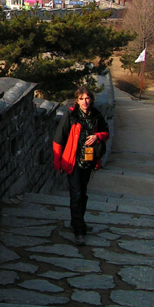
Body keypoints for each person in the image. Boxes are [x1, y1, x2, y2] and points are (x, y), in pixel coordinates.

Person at [52, 87, 109, 245]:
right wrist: (57, 163)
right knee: (76, 194)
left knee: (82, 194)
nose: (85, 102)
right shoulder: (70, 116)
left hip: (88, 161)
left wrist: (97, 136)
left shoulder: (96, 115)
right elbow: (58, 140)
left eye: (88, 98)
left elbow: (106, 132)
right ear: (76, 100)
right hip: (73, 161)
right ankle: (79, 230)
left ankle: (77, 221)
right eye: (82, 99)